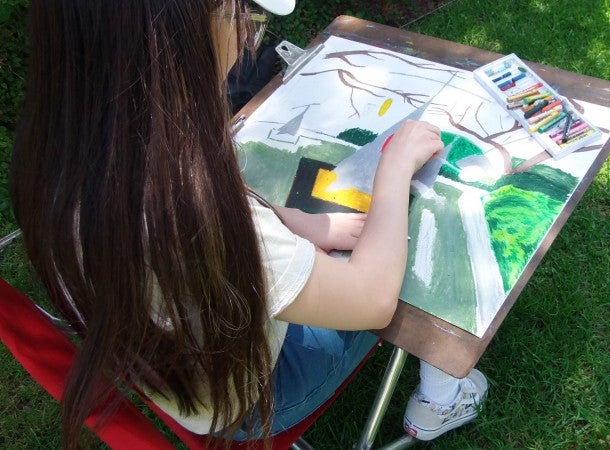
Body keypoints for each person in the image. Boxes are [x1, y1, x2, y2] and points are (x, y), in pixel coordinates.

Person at [9, 0, 487, 447]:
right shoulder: (187, 212)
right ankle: (445, 396)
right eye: (240, 16)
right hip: (262, 396)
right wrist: (394, 170)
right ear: (173, 42)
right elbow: (372, 301)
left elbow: (229, 210)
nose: (244, 41)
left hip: (176, 373)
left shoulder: (65, 159)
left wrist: (297, 223)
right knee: (413, 243)